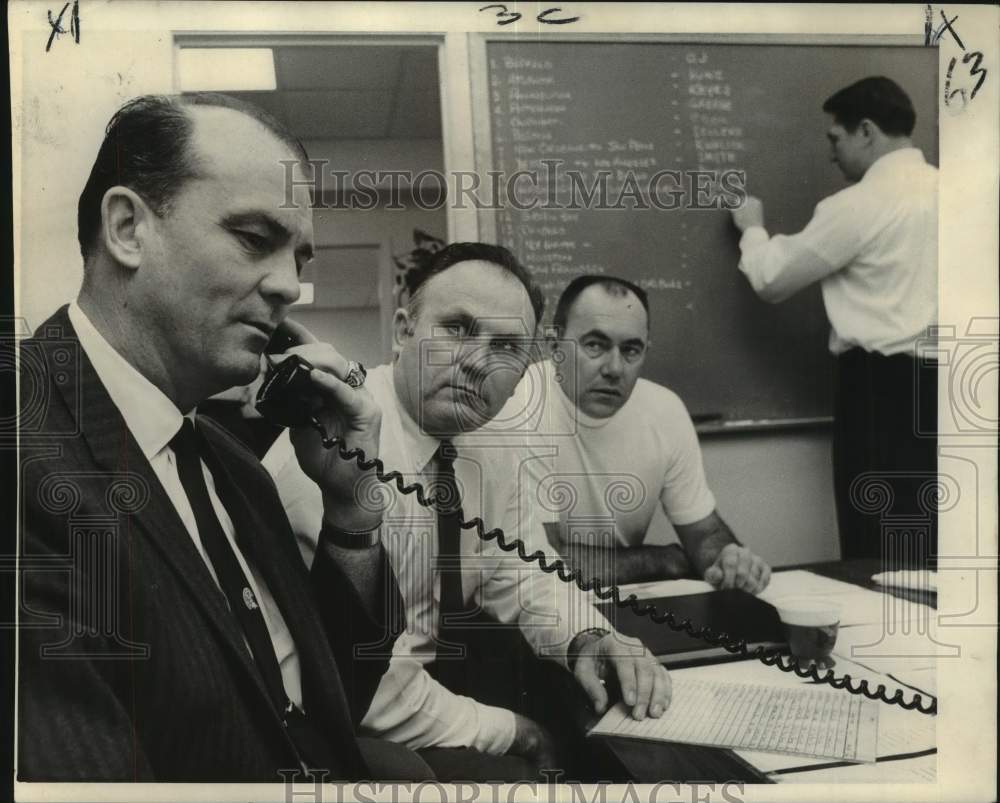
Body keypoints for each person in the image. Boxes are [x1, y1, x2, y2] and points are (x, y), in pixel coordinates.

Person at [17, 93, 433, 781]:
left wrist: (353, 514)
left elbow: (328, 704)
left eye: (299, 257)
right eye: (253, 239)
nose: (290, 288)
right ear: (127, 227)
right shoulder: (24, 449)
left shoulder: (236, 465)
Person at [265, 243, 672, 781]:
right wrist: (512, 731)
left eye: (505, 346)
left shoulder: (492, 440)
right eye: (457, 328)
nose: (478, 361)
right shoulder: (332, 452)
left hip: (429, 690)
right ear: (404, 331)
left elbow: (525, 572)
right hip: (332, 723)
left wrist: (588, 638)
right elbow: (358, 687)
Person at [730, 76, 938, 566]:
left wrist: (752, 229)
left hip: (882, 393)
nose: (831, 153)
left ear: (866, 131)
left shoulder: (861, 204)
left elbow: (772, 279)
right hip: (958, 391)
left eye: (835, 138)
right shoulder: (959, 191)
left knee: (879, 550)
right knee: (940, 542)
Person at [503, 275, 771, 592]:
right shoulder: (518, 403)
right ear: (554, 345)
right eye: (594, 345)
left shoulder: (665, 409)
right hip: (529, 608)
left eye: (631, 350)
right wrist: (660, 562)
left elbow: (703, 533)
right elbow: (542, 561)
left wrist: (727, 559)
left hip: (624, 603)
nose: (615, 368)